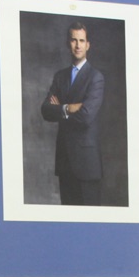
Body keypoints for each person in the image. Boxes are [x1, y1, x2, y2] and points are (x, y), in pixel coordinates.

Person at [39, 21, 105, 205]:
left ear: (88, 45)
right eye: (74, 40)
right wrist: (68, 108)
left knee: (89, 218)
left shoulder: (96, 78)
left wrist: (60, 109)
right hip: (65, 162)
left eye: (81, 40)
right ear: (68, 43)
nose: (78, 45)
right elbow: (45, 110)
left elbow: (86, 117)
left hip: (87, 165)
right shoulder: (60, 76)